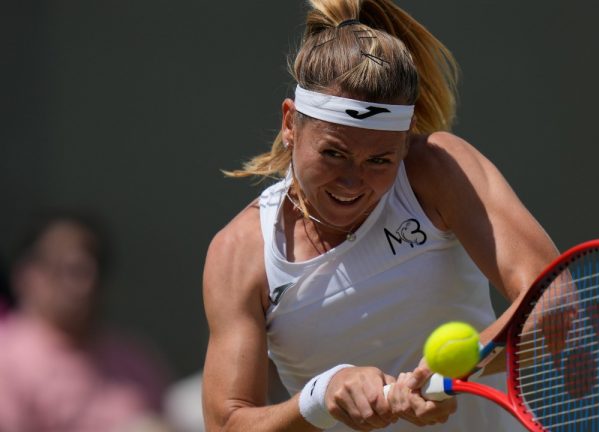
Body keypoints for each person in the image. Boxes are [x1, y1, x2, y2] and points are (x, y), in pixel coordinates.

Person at [202, 1, 559, 430]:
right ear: (290, 123)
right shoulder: (239, 253)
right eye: (333, 153)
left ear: (405, 142)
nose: (353, 181)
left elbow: (555, 302)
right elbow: (226, 423)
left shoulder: (438, 170)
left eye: (379, 160)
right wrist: (323, 393)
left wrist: (455, 371)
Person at [0, 211, 171, 432]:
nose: (84, 283)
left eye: (92, 268)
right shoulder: (8, 360)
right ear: (27, 274)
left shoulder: (132, 357)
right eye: (68, 268)